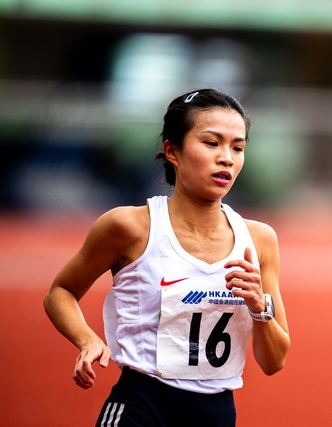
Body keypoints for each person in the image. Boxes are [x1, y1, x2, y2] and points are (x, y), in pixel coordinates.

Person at [43, 88, 290, 426]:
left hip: (216, 415)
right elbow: (60, 292)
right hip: (142, 407)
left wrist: (259, 307)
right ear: (173, 150)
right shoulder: (129, 227)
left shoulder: (258, 240)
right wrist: (87, 340)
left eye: (237, 147)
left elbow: (274, 362)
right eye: (212, 143)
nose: (227, 158)